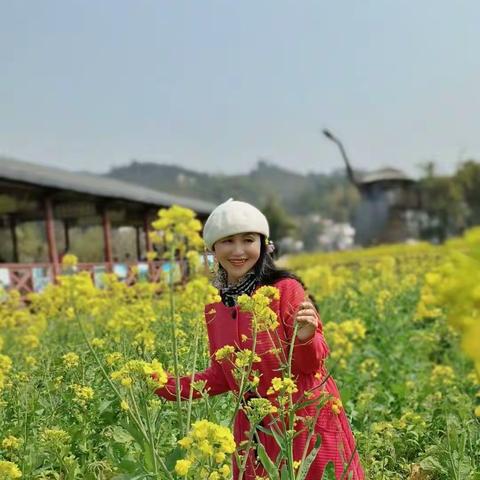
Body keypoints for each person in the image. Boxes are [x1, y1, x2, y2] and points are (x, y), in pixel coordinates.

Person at [154, 199, 364, 479]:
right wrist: (162, 384)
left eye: (248, 240)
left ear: (264, 245)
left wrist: (304, 339)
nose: (239, 251)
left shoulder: (285, 289)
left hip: (302, 423)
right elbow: (223, 374)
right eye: (228, 241)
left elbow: (311, 366)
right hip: (254, 428)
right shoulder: (214, 305)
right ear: (212, 249)